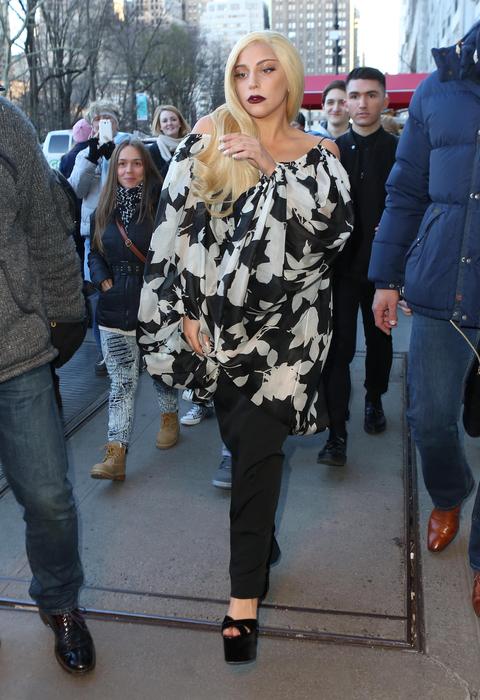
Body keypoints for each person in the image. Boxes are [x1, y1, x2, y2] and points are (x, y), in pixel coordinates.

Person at [138, 30, 352, 663]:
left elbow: (330, 238)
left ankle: (242, 601)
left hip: (288, 335)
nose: (252, 83)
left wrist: (269, 167)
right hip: (220, 331)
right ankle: (262, 541)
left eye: (266, 70)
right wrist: (183, 310)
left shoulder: (320, 152)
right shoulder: (209, 137)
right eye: (240, 73)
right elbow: (176, 227)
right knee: (244, 448)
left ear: (289, 78)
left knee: (256, 452)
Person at [369, 21, 480, 615]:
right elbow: (407, 190)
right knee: (429, 418)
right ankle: (449, 490)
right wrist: (387, 278)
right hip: (443, 283)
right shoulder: (438, 88)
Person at [0, 97, 95, 673]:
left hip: (16, 350)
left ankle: (61, 604)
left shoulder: (7, 125)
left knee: (49, 499)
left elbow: (47, 229)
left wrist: (65, 315)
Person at [317, 67, 398, 467]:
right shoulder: (331, 151)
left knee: (380, 342)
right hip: (340, 270)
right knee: (338, 351)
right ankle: (336, 435)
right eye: (355, 95)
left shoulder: (399, 150)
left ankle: (374, 398)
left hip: (382, 271)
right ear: (345, 101)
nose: (362, 103)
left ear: (385, 100)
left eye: (371, 95)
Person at [88, 139, 179, 481]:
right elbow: (94, 252)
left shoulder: (160, 205)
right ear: (114, 169)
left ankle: (169, 415)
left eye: (136, 163)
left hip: (153, 304)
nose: (129, 170)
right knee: (121, 383)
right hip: (113, 308)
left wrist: (164, 293)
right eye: (122, 164)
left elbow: (174, 252)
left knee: (159, 369)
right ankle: (116, 454)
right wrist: (102, 280)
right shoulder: (103, 209)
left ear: (146, 167)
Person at [69, 101, 129, 376]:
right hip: (94, 235)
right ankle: (106, 352)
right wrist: (92, 158)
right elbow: (75, 190)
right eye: (98, 119)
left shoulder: (128, 147)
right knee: (97, 296)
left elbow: (136, 182)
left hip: (125, 231)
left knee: (126, 292)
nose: (102, 122)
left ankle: (131, 348)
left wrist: (115, 156)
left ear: (116, 123)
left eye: (108, 118)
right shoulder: (85, 153)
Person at [148, 104, 190, 178]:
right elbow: (155, 180)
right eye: (164, 121)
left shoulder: (190, 145)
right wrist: (176, 159)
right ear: (160, 126)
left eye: (173, 119)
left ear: (180, 123)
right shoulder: (153, 150)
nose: (169, 123)